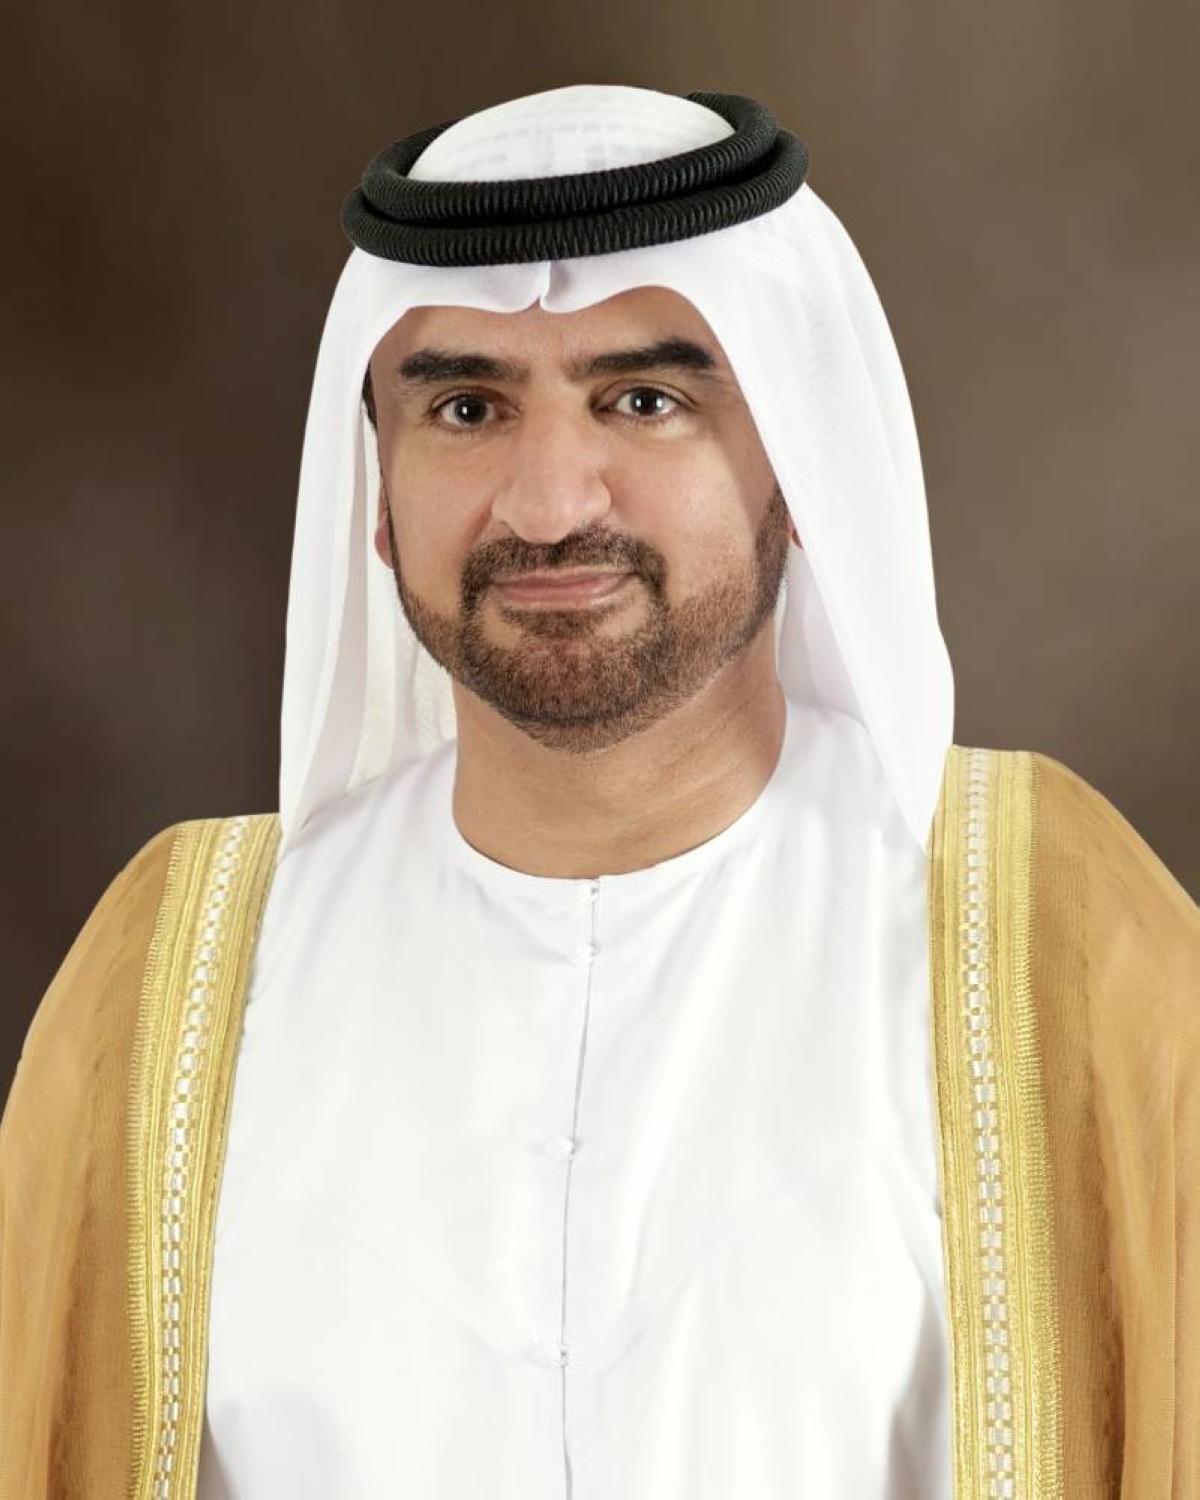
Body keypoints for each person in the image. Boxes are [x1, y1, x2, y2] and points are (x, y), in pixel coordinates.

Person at [0, 84, 1195, 1500]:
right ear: (377, 492)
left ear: (799, 460)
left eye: (646, 400)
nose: (552, 503)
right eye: (467, 408)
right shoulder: (175, 980)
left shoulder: (1056, 942)